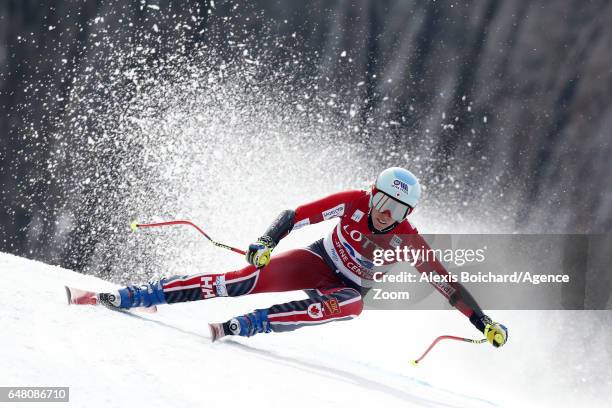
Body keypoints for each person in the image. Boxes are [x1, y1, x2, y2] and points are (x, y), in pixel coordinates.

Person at [98, 167, 508, 346]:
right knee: (240, 280)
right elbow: (298, 215)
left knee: (352, 306)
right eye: (382, 201)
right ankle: (146, 294)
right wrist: (265, 242)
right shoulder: (352, 202)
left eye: (397, 210)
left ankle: (258, 323)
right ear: (372, 194)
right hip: (317, 260)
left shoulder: (408, 241)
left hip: (347, 287)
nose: (385, 214)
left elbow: (447, 286)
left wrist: (483, 321)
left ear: (407, 215)